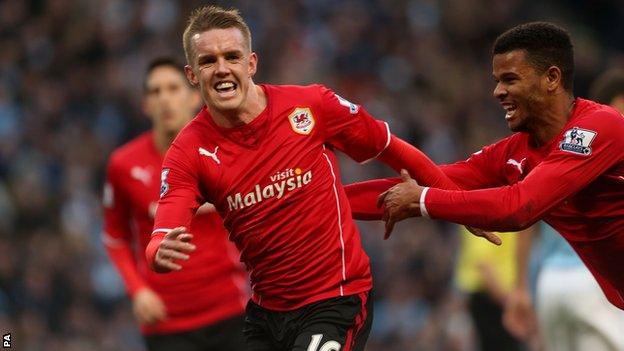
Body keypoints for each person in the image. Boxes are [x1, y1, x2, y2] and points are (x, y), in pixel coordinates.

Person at [143, 5, 497, 351]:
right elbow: (164, 227)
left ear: (251, 63)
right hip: (266, 315)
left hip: (336, 299)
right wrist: (159, 252)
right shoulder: (188, 151)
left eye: (231, 57)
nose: (221, 69)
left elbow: (392, 148)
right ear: (192, 75)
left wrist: (458, 205)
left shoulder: (310, 106)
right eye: (208, 61)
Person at [376, 22, 624, 310]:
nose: (497, 91)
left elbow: (519, 207)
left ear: (552, 78)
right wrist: (323, 194)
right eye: (497, 80)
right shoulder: (513, 152)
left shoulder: (600, 127)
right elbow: (425, 180)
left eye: (510, 79)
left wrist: (422, 200)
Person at [102, 57, 249, 351]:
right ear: (145, 104)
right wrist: (138, 290)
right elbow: (115, 237)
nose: (165, 99)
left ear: (196, 96)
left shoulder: (227, 151)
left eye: (173, 88)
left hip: (234, 310)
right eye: (155, 92)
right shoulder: (123, 165)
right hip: (166, 323)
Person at [503, 72, 624, 351]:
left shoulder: (556, 148)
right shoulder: (613, 152)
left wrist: (520, 286)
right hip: (596, 282)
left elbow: (526, 219)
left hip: (550, 282)